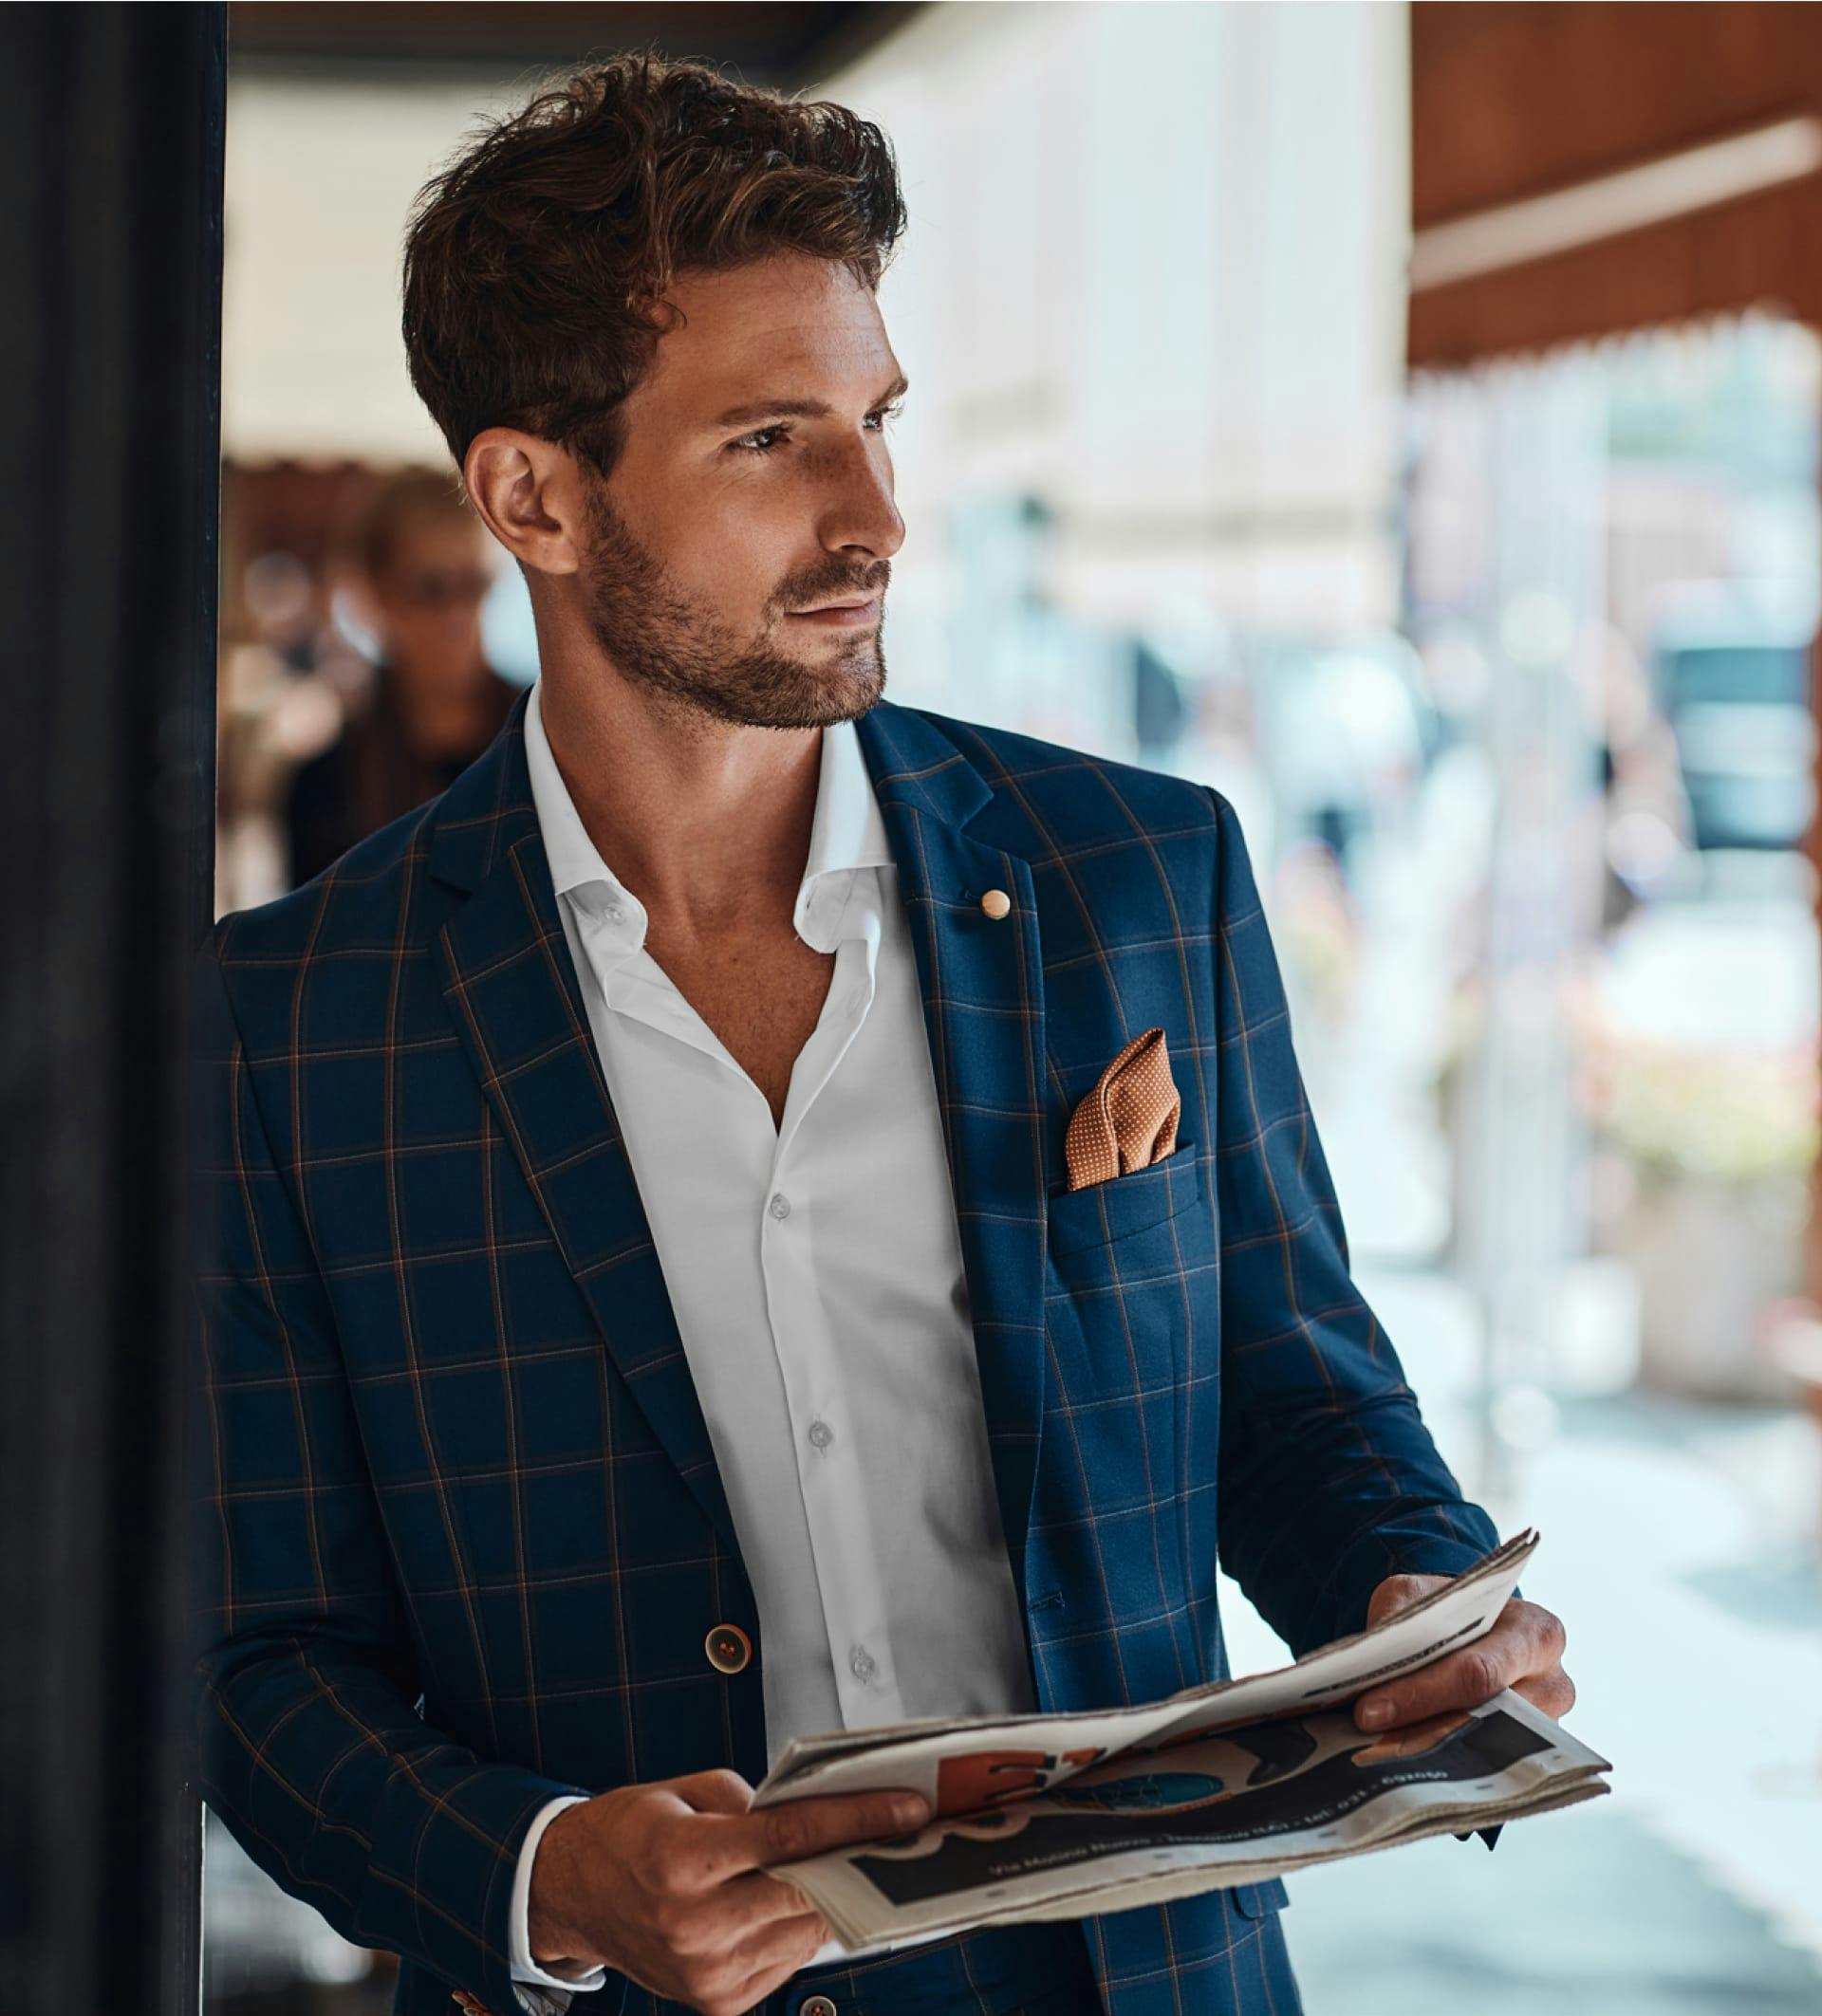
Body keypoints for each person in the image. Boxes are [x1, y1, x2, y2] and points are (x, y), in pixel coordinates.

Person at [193, 54, 1575, 2016]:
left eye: (877, 420)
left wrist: (1414, 1601)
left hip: (1142, 1981)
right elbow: (256, 1657)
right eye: (771, 440)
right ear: (533, 495)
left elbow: (1294, 1394)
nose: (877, 514)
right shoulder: (290, 1030)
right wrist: (541, 1872)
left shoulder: (1137, 873)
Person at [286, 469, 522, 885]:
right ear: (374, 596)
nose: (457, 615)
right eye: (432, 588)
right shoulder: (325, 789)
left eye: (472, 584)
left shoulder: (553, 743)